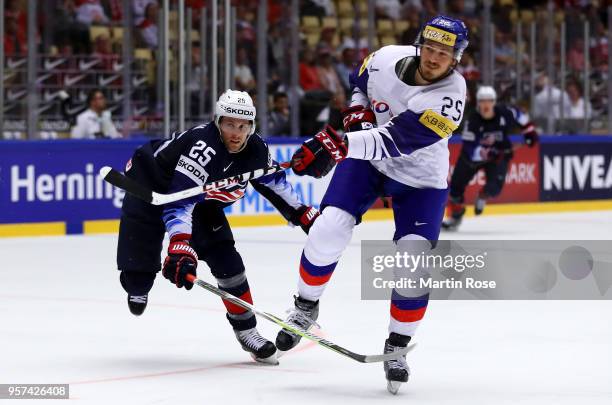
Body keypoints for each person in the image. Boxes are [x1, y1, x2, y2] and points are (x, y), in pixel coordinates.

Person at [277, 16, 469, 394]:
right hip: (367, 160)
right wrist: (356, 111)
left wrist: (343, 143)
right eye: (429, 48)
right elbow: (359, 85)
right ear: (419, 45)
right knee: (328, 227)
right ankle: (304, 307)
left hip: (419, 177)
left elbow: (397, 140)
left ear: (456, 59)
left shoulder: (451, 96)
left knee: (412, 263)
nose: (433, 58)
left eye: (443, 53)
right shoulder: (384, 58)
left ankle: (397, 346)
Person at [116, 90, 319, 364]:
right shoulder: (203, 147)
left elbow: (273, 183)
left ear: (251, 126)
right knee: (137, 274)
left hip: (199, 199)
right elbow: (180, 201)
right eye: (229, 124)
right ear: (217, 122)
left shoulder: (256, 149)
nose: (236, 133)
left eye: (242, 126)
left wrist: (303, 213)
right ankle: (138, 285)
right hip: (149, 186)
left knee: (227, 259)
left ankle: (248, 332)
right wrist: (180, 245)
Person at [442, 86, 538, 230]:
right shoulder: (472, 120)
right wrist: (489, 152)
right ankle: (456, 214)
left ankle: (483, 195)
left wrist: (530, 133)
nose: (486, 105)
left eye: (489, 101)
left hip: (498, 156)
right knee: (455, 188)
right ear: (478, 103)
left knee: (494, 187)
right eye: (482, 101)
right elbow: (469, 146)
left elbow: (521, 117)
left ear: (494, 102)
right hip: (471, 159)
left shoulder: (505, 113)